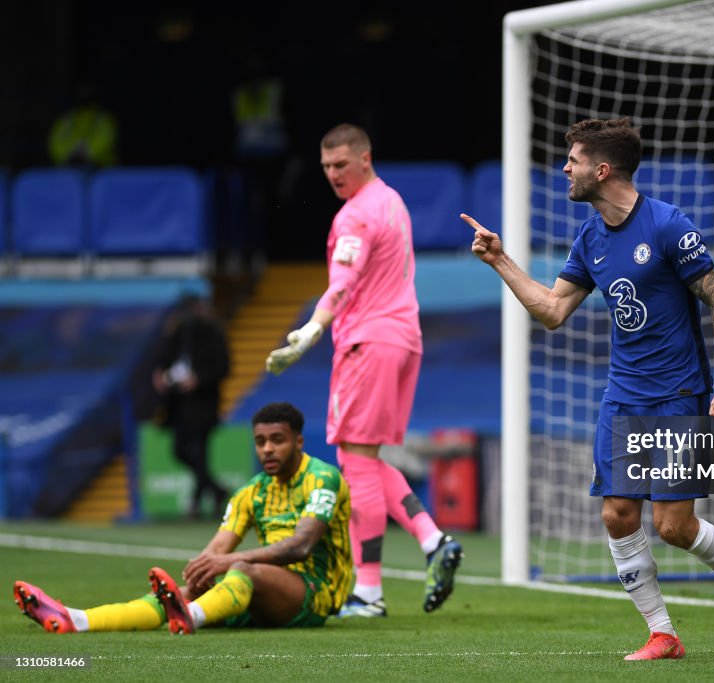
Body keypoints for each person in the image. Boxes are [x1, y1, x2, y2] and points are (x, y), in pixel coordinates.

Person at [462, 117, 714, 660]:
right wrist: (500, 261)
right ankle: (663, 633)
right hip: (622, 397)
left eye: (574, 160)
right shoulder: (589, 237)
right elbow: (553, 310)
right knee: (617, 514)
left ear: (601, 170)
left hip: (678, 396)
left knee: (674, 526)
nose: (565, 169)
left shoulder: (667, 225)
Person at [265, 123, 463, 618]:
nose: (333, 175)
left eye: (341, 165)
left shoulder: (355, 216)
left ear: (365, 158)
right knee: (366, 459)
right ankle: (432, 539)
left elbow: (344, 282)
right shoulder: (392, 201)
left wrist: (313, 328)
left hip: (367, 341)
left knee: (353, 462)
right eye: (326, 167)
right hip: (402, 338)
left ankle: (368, 592)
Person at [13, 402, 353, 634]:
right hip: (264, 591)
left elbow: (302, 546)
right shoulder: (251, 492)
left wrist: (227, 562)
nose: (266, 449)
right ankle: (77, 619)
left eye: (277, 441)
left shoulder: (322, 478)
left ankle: (190, 616)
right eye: (260, 441)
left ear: (299, 441)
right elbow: (218, 547)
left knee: (239, 570)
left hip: (313, 594)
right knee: (184, 591)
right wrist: (203, 569)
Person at [152, 294, 231, 518]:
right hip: (178, 404)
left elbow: (223, 367)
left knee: (200, 452)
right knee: (180, 451)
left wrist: (198, 379)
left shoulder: (213, 334)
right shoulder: (176, 333)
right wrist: (160, 374)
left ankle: (197, 502)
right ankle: (215, 490)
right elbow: (162, 359)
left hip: (203, 405)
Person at [47, 81, 118, 168]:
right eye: (81, 93)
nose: (84, 96)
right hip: (68, 166)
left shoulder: (102, 118)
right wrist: (69, 154)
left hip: (99, 168)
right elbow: (56, 140)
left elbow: (106, 137)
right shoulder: (67, 119)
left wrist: (87, 152)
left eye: (87, 93)